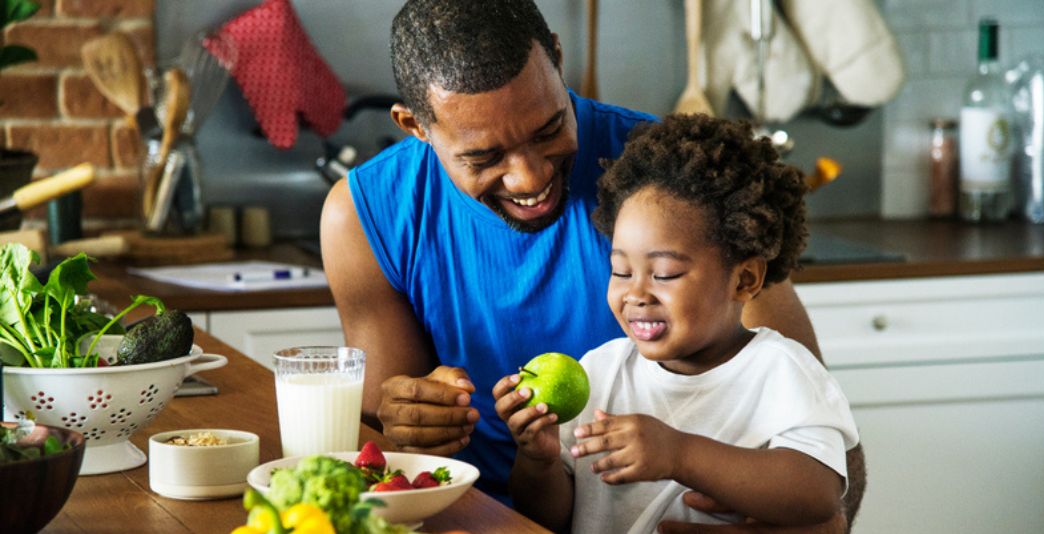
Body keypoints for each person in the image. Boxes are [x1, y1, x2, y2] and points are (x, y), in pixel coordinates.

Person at [319, 0, 866, 530]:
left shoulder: (675, 184)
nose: (530, 179)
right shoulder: (365, 215)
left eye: (548, 128)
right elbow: (384, 447)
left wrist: (826, 526)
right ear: (414, 124)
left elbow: (825, 451)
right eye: (484, 157)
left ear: (557, 58)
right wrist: (415, 419)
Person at [493, 114, 860, 533]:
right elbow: (548, 518)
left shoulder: (781, 371)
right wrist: (537, 461)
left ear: (744, 280)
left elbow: (817, 495)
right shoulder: (600, 371)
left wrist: (678, 454)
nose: (636, 294)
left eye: (664, 274)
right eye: (620, 271)